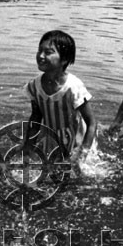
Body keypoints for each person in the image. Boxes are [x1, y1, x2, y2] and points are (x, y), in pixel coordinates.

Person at [24, 30, 97, 159]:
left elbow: (91, 122)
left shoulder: (73, 87)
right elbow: (36, 117)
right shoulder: (35, 86)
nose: (41, 56)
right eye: (39, 50)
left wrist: (83, 153)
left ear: (64, 60)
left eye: (48, 52)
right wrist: (28, 147)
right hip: (51, 139)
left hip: (77, 140)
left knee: (75, 175)